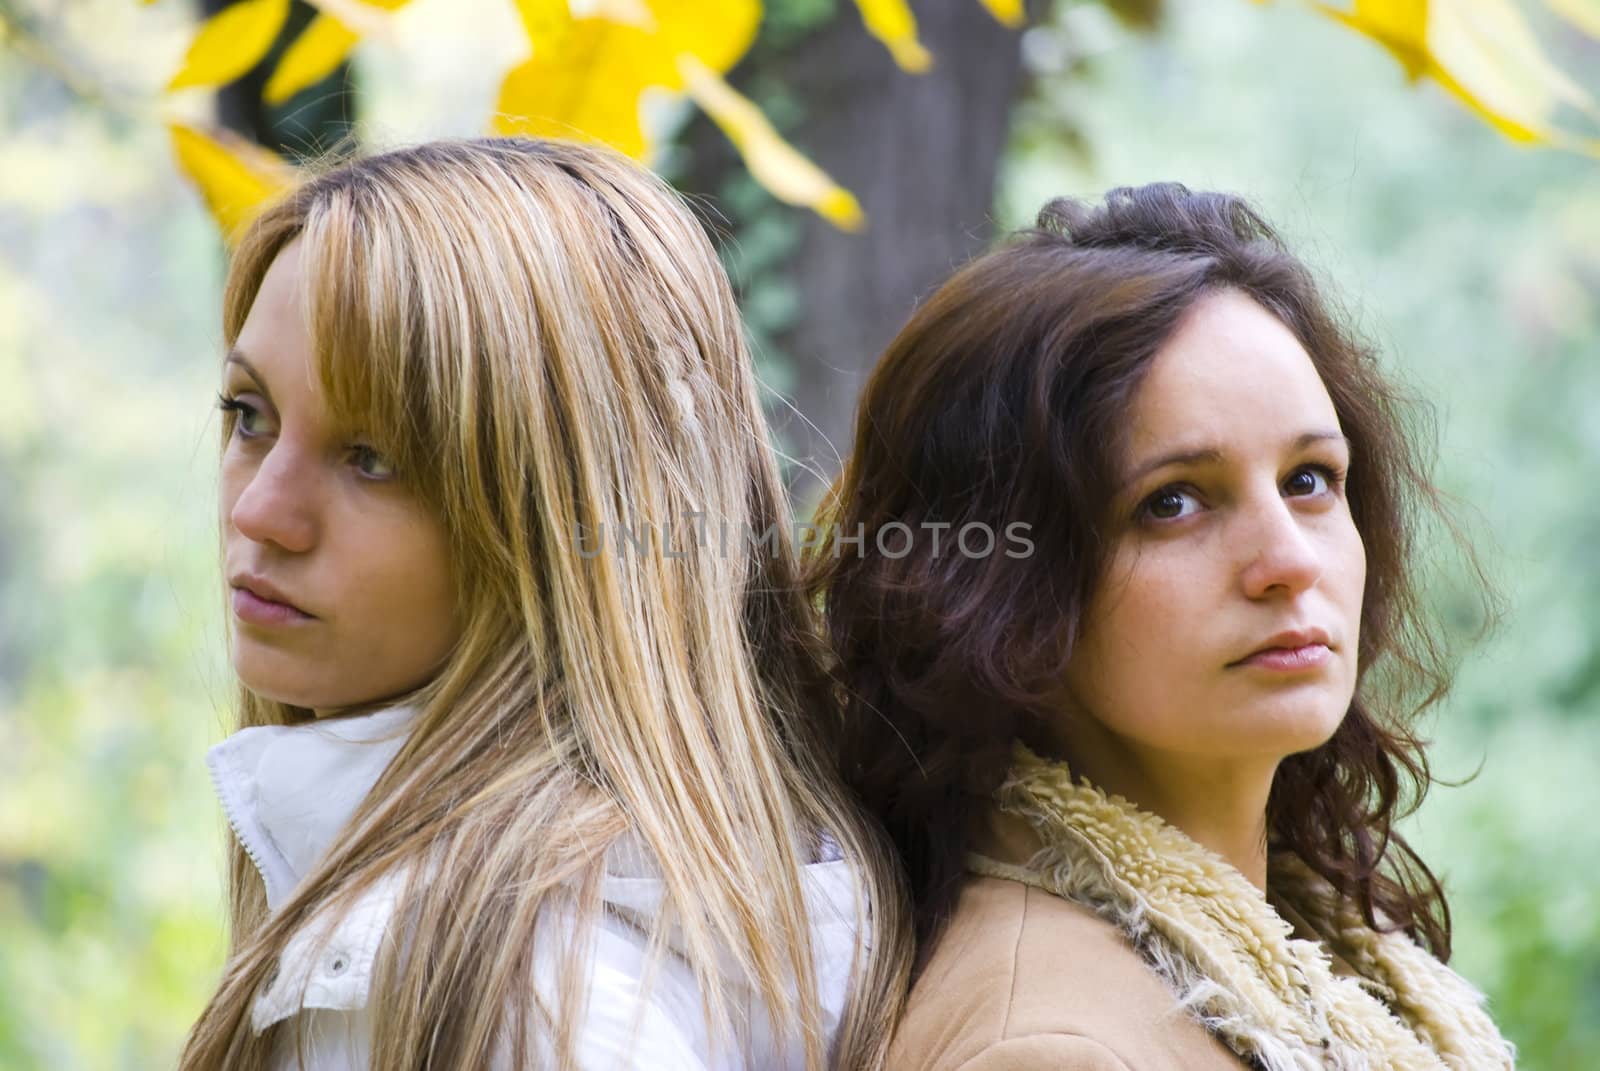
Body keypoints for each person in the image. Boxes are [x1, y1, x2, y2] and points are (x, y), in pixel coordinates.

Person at [179, 137, 909, 1071]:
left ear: (572, 519)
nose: (259, 510)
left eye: (373, 457)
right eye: (249, 414)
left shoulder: (517, 1004)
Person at [808, 184, 1516, 1069]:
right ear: (992, 586)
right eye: (1172, 502)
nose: (1288, 559)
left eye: (1309, 479)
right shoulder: (1053, 1048)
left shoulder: (1314, 956)